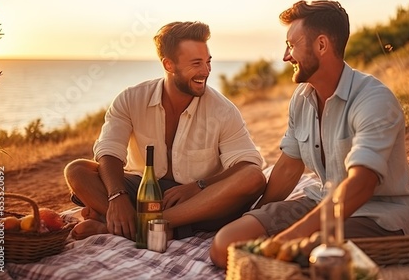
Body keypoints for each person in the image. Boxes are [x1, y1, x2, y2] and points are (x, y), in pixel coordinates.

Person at [210, 0, 409, 268]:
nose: (286, 56)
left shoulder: (374, 100)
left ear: (321, 45)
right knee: (224, 246)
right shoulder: (301, 97)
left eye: (291, 45)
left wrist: (287, 239)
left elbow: (362, 185)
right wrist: (260, 216)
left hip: (376, 215)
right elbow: (288, 166)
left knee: (312, 259)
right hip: (319, 203)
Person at [64, 21, 266, 241]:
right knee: (77, 171)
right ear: (169, 65)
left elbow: (247, 165)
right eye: (196, 63)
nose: (206, 71)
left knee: (254, 178)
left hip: (196, 201)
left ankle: (135, 225)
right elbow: (109, 150)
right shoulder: (131, 99)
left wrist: (199, 186)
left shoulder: (223, 110)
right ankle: (140, 224)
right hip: (140, 190)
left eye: (208, 62)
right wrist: (116, 196)